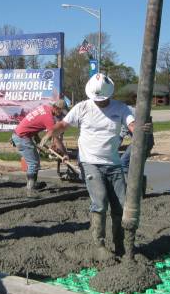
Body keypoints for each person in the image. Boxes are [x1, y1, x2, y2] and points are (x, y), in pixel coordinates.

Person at [45, 73, 135, 259]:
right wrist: (50, 133)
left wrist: (140, 130)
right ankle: (98, 245)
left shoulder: (121, 108)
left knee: (121, 205)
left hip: (113, 163)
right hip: (90, 162)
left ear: (110, 94)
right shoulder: (82, 107)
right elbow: (63, 124)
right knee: (100, 201)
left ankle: (121, 245)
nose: (99, 102)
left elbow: (132, 125)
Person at [11, 99, 68, 194]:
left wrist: (36, 137)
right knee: (33, 162)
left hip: (21, 135)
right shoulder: (49, 118)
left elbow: (33, 123)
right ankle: (31, 187)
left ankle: (32, 183)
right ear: (56, 108)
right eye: (61, 112)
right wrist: (65, 153)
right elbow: (56, 139)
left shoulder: (44, 108)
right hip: (22, 137)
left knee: (34, 161)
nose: (61, 114)